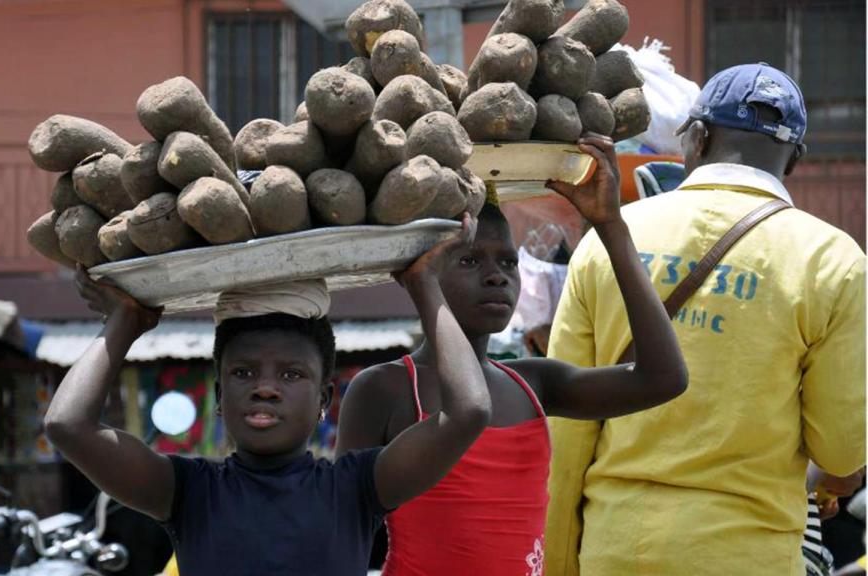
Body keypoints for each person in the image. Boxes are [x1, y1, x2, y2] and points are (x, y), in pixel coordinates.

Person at [544, 63, 866, 575]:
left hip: (617, 548)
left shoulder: (608, 242)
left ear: (696, 138)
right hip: (746, 556)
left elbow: (563, 436)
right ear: (794, 161)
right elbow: (842, 446)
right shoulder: (833, 260)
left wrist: (560, 564)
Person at [43, 214, 495, 576]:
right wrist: (126, 319)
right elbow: (68, 425)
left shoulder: (356, 488)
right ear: (220, 396)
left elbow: (468, 411)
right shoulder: (186, 492)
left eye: (291, 375)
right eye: (243, 372)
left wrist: (423, 282)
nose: (264, 387)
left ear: (324, 399)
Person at [336, 134, 689, 575]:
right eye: (469, 261)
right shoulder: (384, 388)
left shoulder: (534, 384)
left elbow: (663, 379)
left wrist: (610, 226)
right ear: (421, 269)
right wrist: (422, 286)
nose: (496, 277)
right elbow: (342, 532)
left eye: (508, 262)